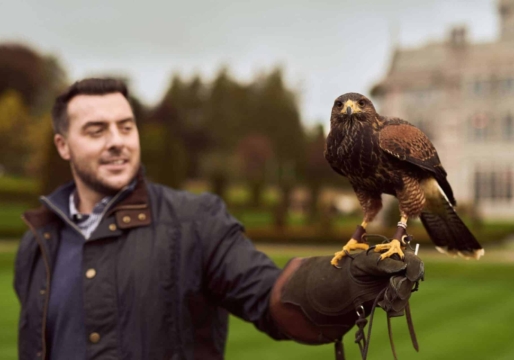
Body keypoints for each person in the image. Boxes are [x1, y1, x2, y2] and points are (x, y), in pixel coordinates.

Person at [14, 78, 423, 360]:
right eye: (96, 130)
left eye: (126, 126)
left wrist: (336, 286)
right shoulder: (38, 243)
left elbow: (268, 297)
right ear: (63, 146)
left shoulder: (195, 220)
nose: (117, 141)